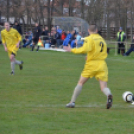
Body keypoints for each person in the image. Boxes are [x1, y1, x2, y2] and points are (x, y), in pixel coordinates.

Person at [64, 25, 113, 109]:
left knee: (80, 82)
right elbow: (104, 52)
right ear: (96, 30)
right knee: (103, 87)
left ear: (88, 30)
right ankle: (109, 95)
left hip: (91, 65)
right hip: (102, 64)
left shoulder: (89, 38)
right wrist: (91, 56)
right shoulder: (102, 39)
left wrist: (72, 50)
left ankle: (72, 102)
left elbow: (84, 49)